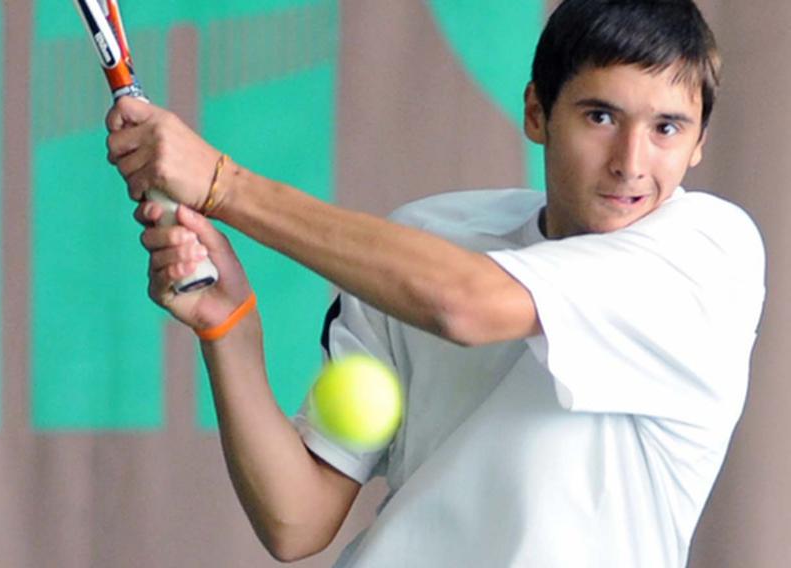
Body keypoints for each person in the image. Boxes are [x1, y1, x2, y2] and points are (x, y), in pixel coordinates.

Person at [105, 0, 765, 565]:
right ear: (538, 112)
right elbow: (295, 521)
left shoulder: (709, 253)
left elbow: (465, 305)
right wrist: (230, 328)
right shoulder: (426, 243)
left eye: (666, 129)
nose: (630, 162)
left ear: (700, 140)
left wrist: (224, 184)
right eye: (600, 116)